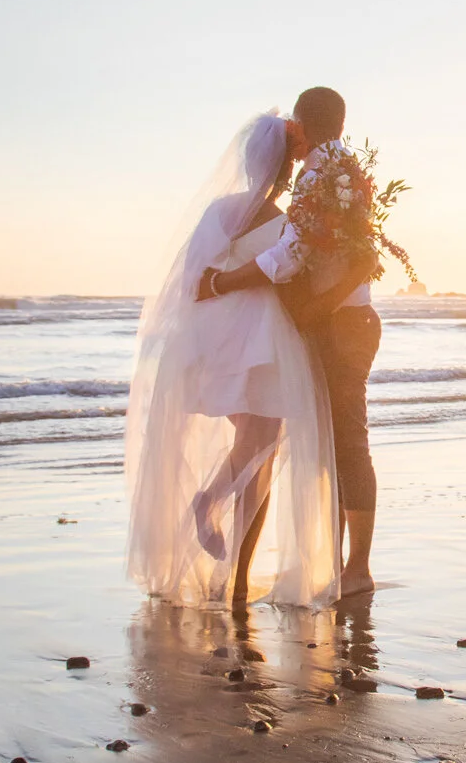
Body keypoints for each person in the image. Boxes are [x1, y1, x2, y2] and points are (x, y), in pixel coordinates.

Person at [125, 113, 342, 607]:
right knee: (261, 442)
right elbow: (284, 272)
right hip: (259, 339)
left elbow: (190, 280)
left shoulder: (220, 211)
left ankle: (237, 573)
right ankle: (213, 513)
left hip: (221, 339)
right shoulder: (286, 221)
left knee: (258, 444)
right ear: (287, 166)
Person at [201, 87, 383, 598]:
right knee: (337, 444)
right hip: (343, 320)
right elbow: (353, 251)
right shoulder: (345, 167)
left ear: (302, 126)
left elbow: (290, 255)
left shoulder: (321, 174)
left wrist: (222, 283)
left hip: (342, 322)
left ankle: (357, 570)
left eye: (295, 132)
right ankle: (346, 567)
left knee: (346, 443)